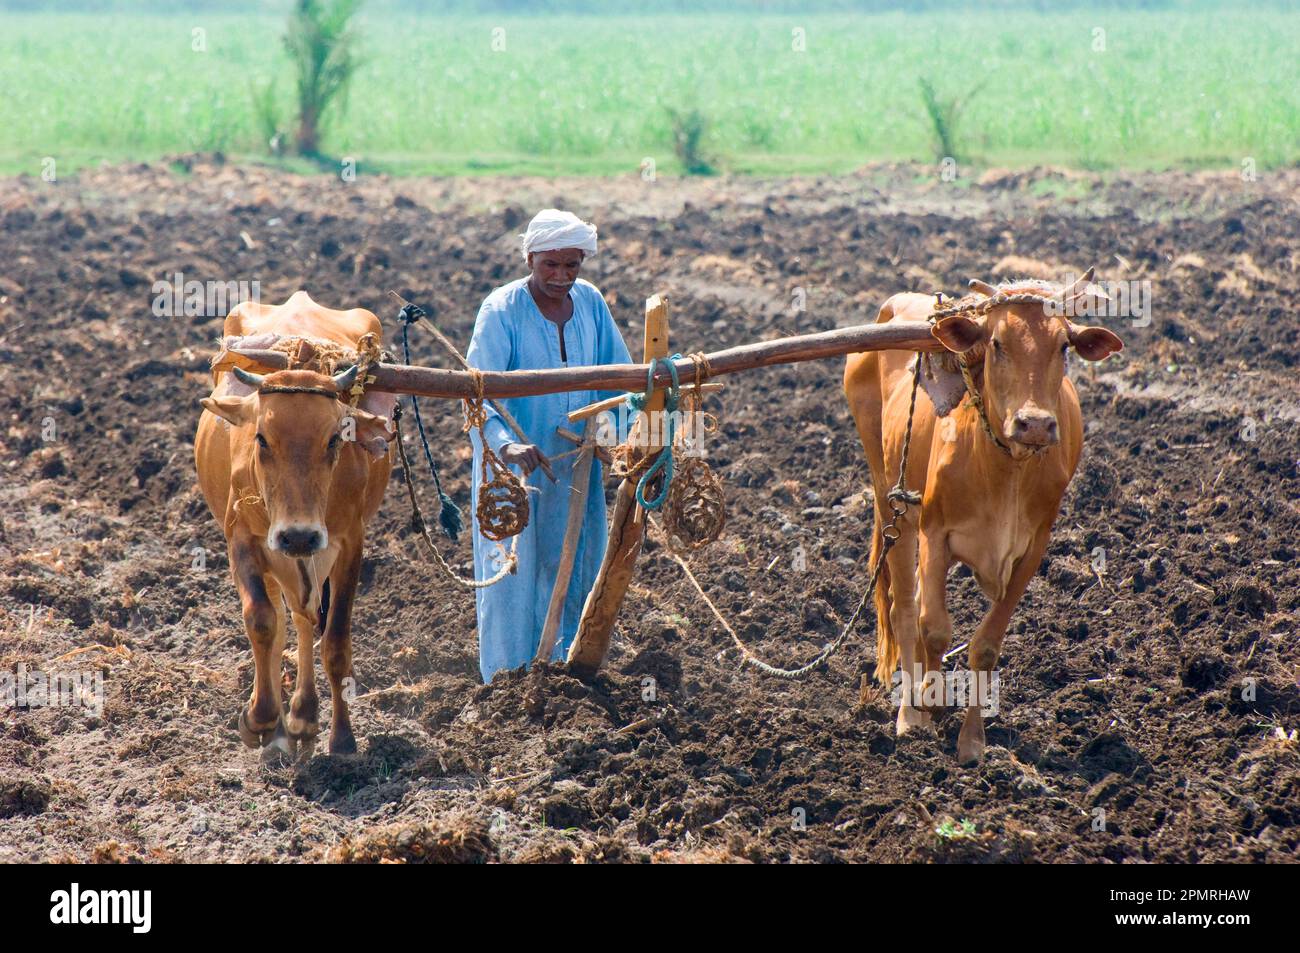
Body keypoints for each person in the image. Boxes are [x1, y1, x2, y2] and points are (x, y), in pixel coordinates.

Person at [464, 209, 633, 683]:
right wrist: (504, 447)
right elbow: (477, 398)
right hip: (512, 476)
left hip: (576, 468)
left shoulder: (592, 305)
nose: (561, 276)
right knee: (511, 576)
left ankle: (566, 674)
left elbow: (618, 379)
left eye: (572, 265)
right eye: (550, 266)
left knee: (576, 561)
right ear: (531, 259)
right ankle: (505, 681)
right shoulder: (500, 311)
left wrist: (611, 435)